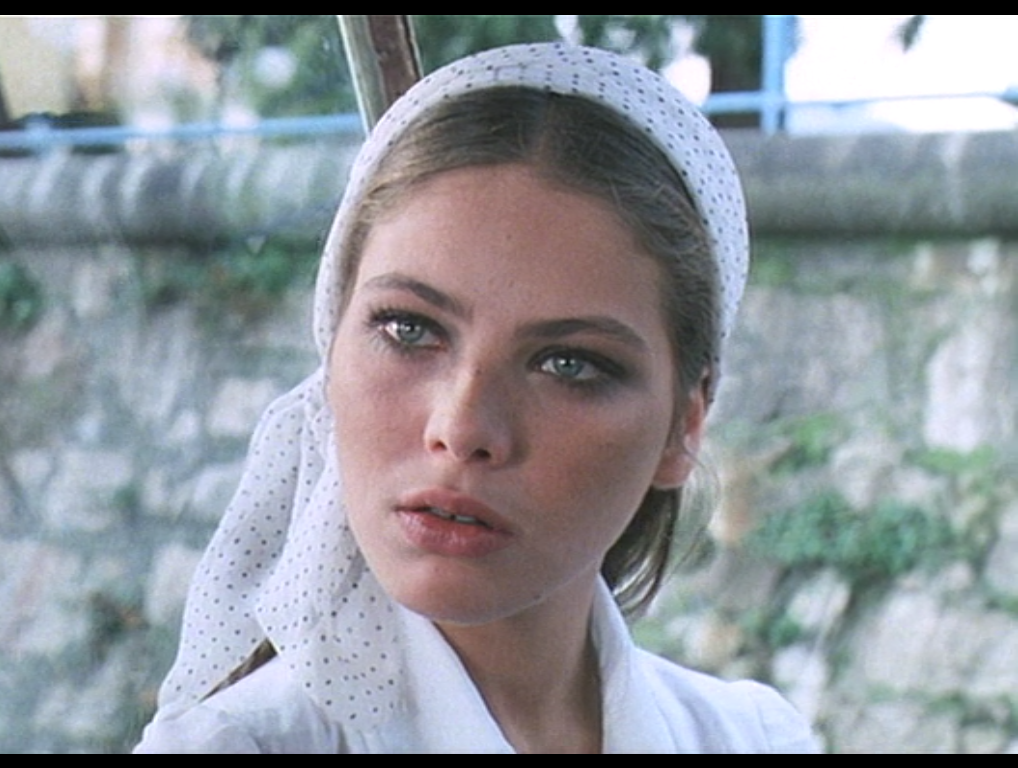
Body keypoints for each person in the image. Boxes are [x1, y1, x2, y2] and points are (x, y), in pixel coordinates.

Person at [135, 42, 819, 753]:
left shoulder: (752, 739)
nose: (461, 427)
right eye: (408, 329)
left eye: (569, 365)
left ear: (686, 424)